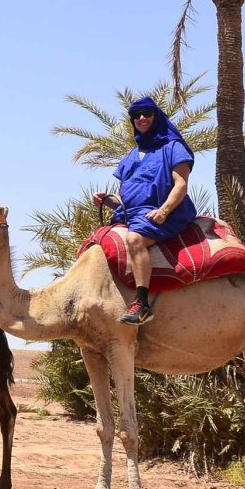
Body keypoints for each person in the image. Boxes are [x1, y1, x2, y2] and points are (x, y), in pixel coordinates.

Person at [93, 96, 197, 326]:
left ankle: (142, 304)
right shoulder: (130, 157)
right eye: (136, 115)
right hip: (133, 214)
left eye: (147, 114)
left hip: (164, 213)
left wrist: (164, 211)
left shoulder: (173, 147)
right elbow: (128, 198)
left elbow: (181, 185)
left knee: (134, 239)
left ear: (155, 116)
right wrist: (106, 200)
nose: (141, 118)